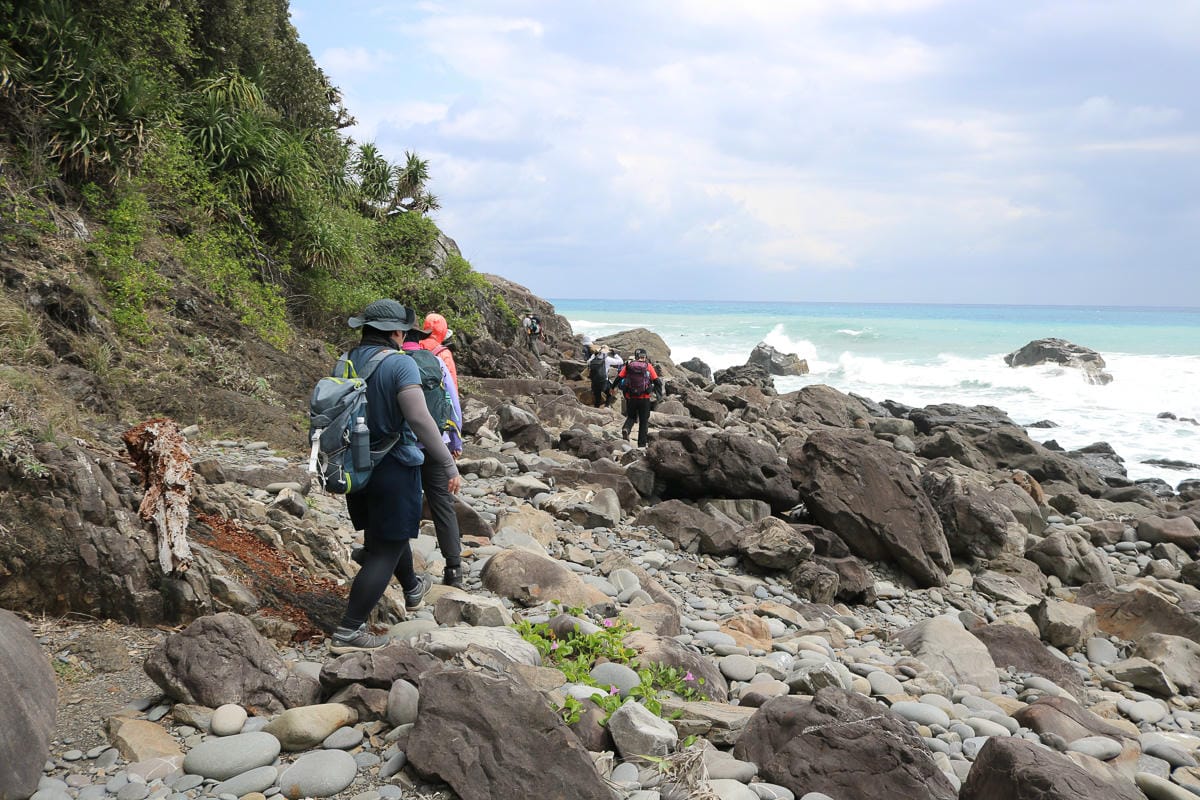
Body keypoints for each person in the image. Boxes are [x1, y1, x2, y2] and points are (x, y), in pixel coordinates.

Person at [330, 299, 462, 653]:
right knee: (384, 549)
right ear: (396, 332)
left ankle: (413, 588)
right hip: (393, 466)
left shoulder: (345, 360)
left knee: (387, 534)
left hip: (356, 466)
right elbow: (420, 419)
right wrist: (448, 464)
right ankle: (348, 630)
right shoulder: (401, 365)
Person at [413, 311, 465, 588]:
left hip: (404, 444)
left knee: (403, 501)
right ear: (443, 332)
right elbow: (451, 399)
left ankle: (396, 563)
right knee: (442, 504)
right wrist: (455, 441)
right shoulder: (441, 357)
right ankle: (454, 570)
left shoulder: (402, 357)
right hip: (436, 442)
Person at [616, 348, 662, 447]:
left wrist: (612, 388)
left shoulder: (629, 366)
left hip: (631, 397)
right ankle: (641, 444)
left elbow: (619, 378)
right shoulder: (648, 366)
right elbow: (657, 381)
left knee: (631, 417)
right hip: (644, 398)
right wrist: (659, 394)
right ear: (645, 357)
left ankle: (626, 429)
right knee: (644, 421)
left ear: (636, 357)